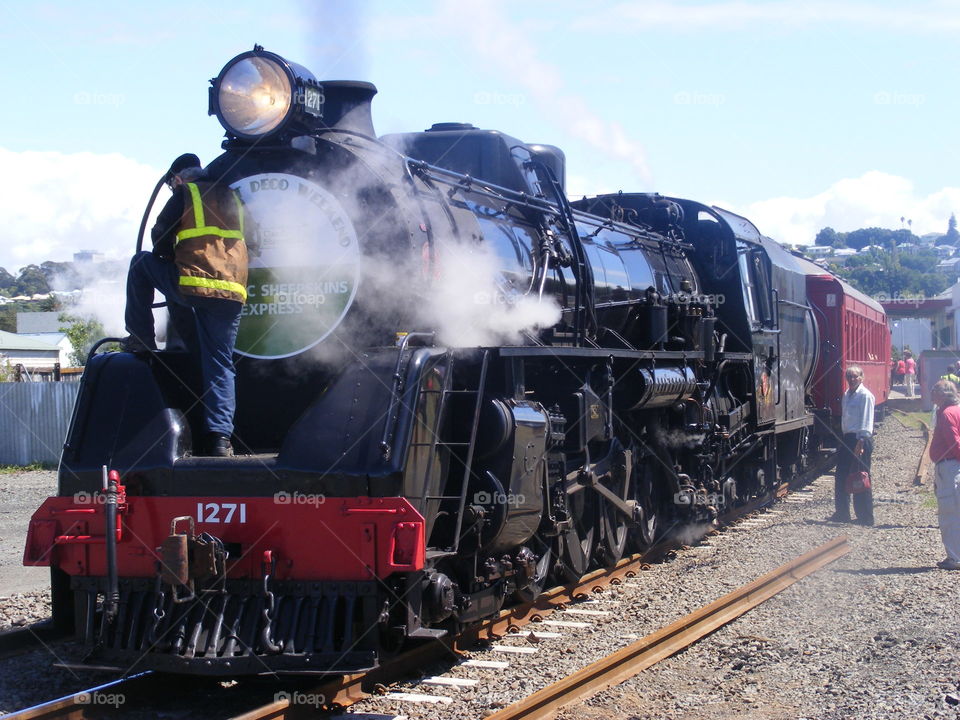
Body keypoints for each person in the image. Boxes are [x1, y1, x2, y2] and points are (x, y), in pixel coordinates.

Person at [123, 153, 248, 457]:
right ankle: (220, 439)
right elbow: (253, 240)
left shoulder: (185, 193)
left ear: (178, 179)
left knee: (140, 264)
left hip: (192, 284)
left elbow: (160, 234)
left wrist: (169, 256)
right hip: (231, 291)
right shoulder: (235, 197)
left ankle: (141, 339)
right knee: (220, 364)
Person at [829, 365, 875, 525]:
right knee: (841, 475)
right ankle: (842, 513)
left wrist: (861, 441)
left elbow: (867, 419)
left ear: (861, 378)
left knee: (861, 476)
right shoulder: (847, 394)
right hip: (848, 438)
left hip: (859, 438)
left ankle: (865, 517)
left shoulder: (865, 395)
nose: (852, 379)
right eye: (849, 376)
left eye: (855, 376)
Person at [929, 380, 960, 570]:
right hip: (951, 466)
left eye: (934, 390)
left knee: (949, 513)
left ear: (943, 394)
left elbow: (955, 443)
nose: (931, 393)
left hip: (949, 467)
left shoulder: (947, 413)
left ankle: (955, 558)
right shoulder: (955, 410)